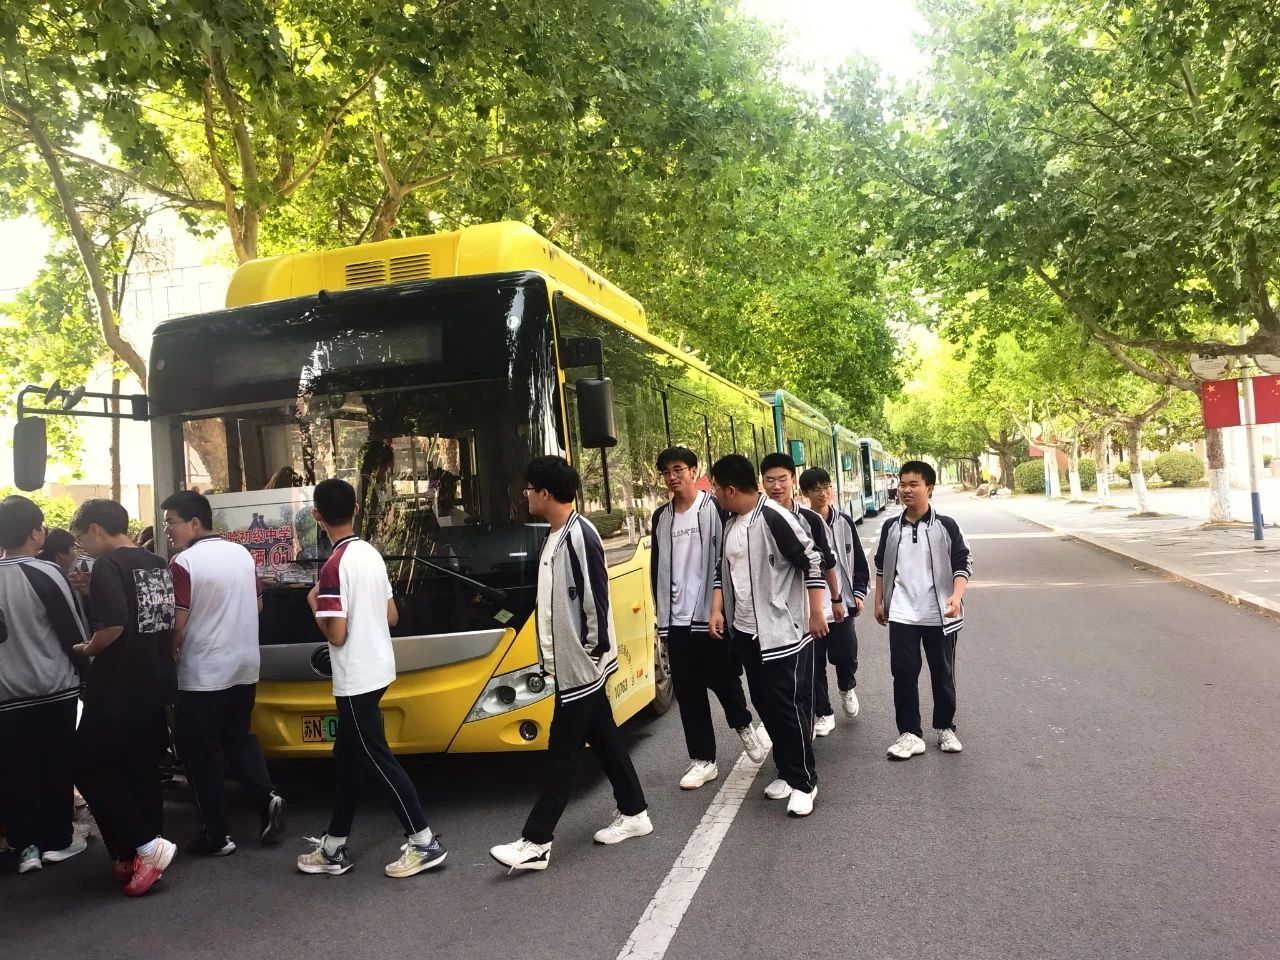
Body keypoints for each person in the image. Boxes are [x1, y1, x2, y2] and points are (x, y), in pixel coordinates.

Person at [490, 456, 651, 873]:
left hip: (581, 666)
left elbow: (597, 598)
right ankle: (635, 812)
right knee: (605, 740)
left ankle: (536, 841)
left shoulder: (580, 535)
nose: (525, 495)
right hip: (571, 664)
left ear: (545, 493)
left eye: (529, 489)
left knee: (562, 752)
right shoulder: (555, 535)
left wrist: (591, 653)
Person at [297, 478, 446, 879]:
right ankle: (333, 847)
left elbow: (336, 635)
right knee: (347, 758)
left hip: (355, 678)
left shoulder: (333, 566)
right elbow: (392, 616)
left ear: (317, 516)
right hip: (378, 670)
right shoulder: (371, 554)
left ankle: (423, 841)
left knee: (377, 759)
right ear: (357, 510)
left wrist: (313, 605)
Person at [162, 491, 286, 857]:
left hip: (202, 672)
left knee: (200, 753)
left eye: (171, 523)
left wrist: (170, 652)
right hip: (244, 666)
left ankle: (216, 835)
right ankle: (266, 798)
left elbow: (177, 622)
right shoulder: (242, 554)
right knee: (238, 738)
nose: (168, 531)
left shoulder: (183, 562)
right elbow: (258, 605)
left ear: (194, 523)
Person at [708, 455, 827, 817]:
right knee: (766, 705)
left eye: (716, 487)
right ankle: (788, 772)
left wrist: (817, 612)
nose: (714, 493)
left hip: (782, 632)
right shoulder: (731, 524)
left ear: (730, 489)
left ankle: (805, 781)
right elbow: (725, 571)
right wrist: (720, 611)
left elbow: (813, 560)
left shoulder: (774, 516)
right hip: (746, 632)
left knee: (788, 708)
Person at [70, 498, 178, 896]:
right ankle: (142, 855)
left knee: (86, 763)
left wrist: (86, 648)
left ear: (95, 528)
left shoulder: (107, 565)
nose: (82, 547)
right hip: (154, 681)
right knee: (141, 769)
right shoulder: (156, 562)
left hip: (117, 685)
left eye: (81, 539)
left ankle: (145, 848)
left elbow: (114, 626)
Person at [650, 447, 767, 790]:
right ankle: (703, 760)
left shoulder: (715, 507)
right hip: (676, 618)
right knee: (688, 693)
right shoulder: (661, 517)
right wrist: (661, 613)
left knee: (724, 679)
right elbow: (657, 568)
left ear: (693, 471)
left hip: (711, 614)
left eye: (678, 469)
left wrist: (723, 607)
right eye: (666, 472)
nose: (672, 477)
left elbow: (726, 560)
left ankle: (742, 723)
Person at [0, 496, 89, 874]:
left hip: (6, 695)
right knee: (56, 765)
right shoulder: (47, 572)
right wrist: (88, 677)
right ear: (36, 533)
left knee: (14, 771)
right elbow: (74, 633)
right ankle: (58, 840)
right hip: (54, 688)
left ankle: (26, 847)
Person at [873, 461, 973, 760]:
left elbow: (962, 562)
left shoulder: (946, 526)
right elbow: (881, 566)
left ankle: (945, 727)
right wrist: (879, 601)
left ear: (929, 488)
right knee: (903, 673)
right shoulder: (891, 527)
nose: (906, 490)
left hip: (939, 612)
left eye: (913, 484)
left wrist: (956, 596)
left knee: (942, 672)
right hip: (902, 612)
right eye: (902, 484)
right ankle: (909, 734)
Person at [759, 454, 841, 738]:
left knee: (811, 670)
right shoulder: (755, 519)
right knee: (782, 680)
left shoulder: (811, 520)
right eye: (770, 480)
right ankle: (799, 730)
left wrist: (835, 600)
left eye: (782, 479)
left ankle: (816, 718)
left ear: (793, 480)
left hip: (807, 609)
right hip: (772, 613)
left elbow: (825, 562)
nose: (776, 486)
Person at [799, 467, 870, 724]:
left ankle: (846, 687)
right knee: (815, 664)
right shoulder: (800, 524)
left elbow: (859, 561)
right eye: (815, 489)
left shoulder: (844, 522)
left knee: (846, 655)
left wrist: (858, 594)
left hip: (841, 604)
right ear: (805, 493)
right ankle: (823, 712)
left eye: (826, 486)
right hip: (813, 607)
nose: (822, 493)